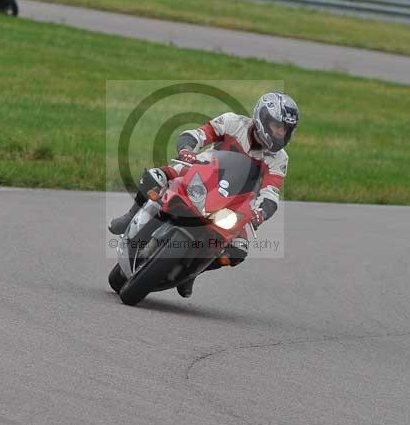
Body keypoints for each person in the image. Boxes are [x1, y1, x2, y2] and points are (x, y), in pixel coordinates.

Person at [108, 92, 300, 298]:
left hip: (235, 203)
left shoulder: (279, 159)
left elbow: (271, 192)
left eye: (285, 130)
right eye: (277, 126)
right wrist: (187, 149)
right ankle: (130, 216)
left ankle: (192, 273)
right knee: (156, 177)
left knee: (238, 250)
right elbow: (197, 134)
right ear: (262, 118)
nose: (280, 133)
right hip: (202, 175)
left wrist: (261, 212)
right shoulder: (232, 122)